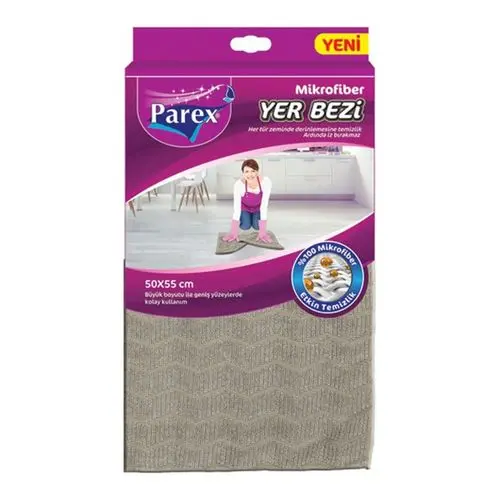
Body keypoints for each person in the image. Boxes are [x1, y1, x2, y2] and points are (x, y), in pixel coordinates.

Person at [223, 159, 272, 242]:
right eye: (247, 171)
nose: (250, 174)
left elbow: (264, 205)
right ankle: (244, 219)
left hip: (257, 208)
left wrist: (263, 231)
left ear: (257, 172)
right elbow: (237, 207)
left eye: (253, 171)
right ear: (243, 173)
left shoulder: (266, 182)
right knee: (245, 226)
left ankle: (253, 219)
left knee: (257, 226)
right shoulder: (239, 185)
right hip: (244, 208)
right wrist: (234, 231)